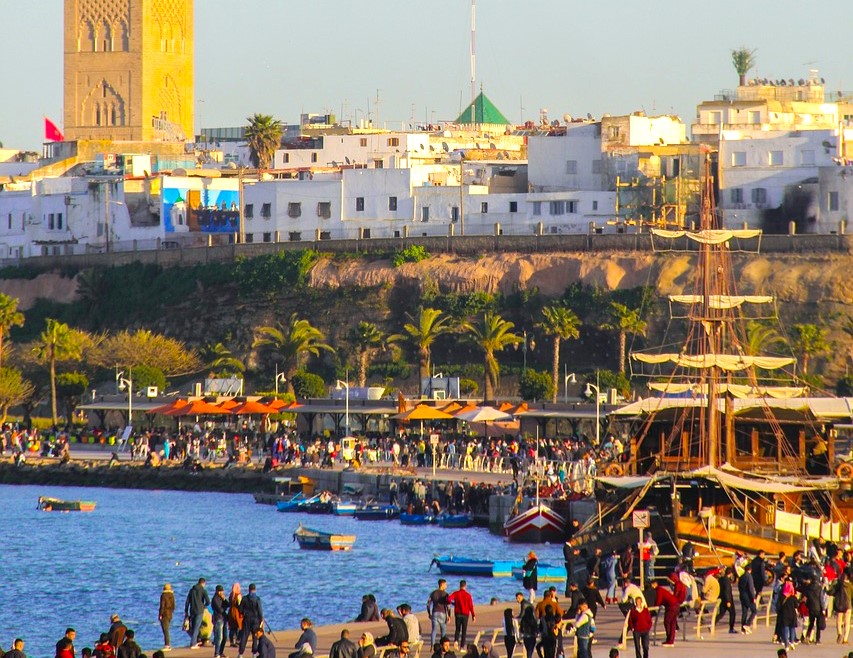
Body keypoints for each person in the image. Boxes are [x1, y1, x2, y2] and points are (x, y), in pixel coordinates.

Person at [650, 580, 679, 647]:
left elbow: (659, 599)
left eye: (652, 584)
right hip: (676, 605)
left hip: (671, 606)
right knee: (672, 623)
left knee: (667, 622)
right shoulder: (661, 589)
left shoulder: (659, 590)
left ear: (655, 584)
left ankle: (669, 640)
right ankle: (671, 640)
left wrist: (655, 606)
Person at [448, 580, 476, 648]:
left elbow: (448, 599)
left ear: (460, 585)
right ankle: (462, 646)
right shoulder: (468, 595)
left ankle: (456, 641)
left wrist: (454, 603)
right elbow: (470, 606)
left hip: (457, 613)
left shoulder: (456, 593)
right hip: (465, 614)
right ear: (465, 586)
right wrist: (473, 615)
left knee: (457, 629)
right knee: (464, 631)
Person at [239, 583, 264, 658]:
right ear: (255, 590)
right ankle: (254, 653)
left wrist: (244, 613)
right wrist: (261, 619)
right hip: (255, 619)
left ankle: (241, 653)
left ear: (248, 589)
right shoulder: (257, 599)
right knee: (255, 637)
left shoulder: (244, 598)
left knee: (244, 636)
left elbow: (240, 610)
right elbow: (260, 610)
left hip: (247, 619)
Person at [185, 578, 211, 649]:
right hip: (200, 611)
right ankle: (193, 643)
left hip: (192, 610)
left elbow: (187, 601)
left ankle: (195, 641)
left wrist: (186, 611)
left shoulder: (192, 590)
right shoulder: (203, 590)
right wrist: (203, 606)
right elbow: (208, 601)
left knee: (193, 627)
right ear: (203, 583)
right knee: (197, 627)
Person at [427, 579, 451, 648]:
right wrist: (449, 615)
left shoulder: (433, 593)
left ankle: (432, 645)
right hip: (442, 613)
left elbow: (428, 604)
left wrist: (429, 613)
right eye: (445, 584)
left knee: (434, 630)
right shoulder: (445, 594)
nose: (446, 586)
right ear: (442, 585)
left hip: (434, 612)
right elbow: (448, 606)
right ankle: (443, 645)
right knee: (443, 630)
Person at [778, 581, 799, 652]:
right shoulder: (793, 597)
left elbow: (778, 605)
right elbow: (796, 605)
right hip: (792, 614)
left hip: (784, 615)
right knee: (792, 629)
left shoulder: (781, 597)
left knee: (785, 630)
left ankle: (786, 645)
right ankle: (792, 642)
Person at [211, 585, 230, 658]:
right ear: (217, 591)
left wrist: (224, 599)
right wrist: (224, 608)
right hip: (218, 618)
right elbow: (220, 609)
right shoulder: (215, 599)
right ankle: (216, 653)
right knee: (219, 637)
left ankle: (221, 652)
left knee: (225, 637)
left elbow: (228, 605)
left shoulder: (222, 598)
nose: (221, 592)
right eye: (220, 591)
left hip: (224, 618)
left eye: (222, 591)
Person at [716, 567, 736, 634]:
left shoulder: (721, 579)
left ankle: (713, 624)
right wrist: (728, 601)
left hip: (722, 598)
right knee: (732, 613)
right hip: (728, 599)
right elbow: (727, 591)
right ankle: (731, 628)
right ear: (730, 574)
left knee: (721, 613)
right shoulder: (727, 581)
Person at [835, 570, 853, 644]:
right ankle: (845, 639)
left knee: (839, 621)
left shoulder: (838, 585)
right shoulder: (850, 586)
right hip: (848, 605)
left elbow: (831, 591)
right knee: (847, 622)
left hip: (839, 604)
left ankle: (839, 632)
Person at [738, 564, 757, 634]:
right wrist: (753, 597)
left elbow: (739, 587)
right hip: (748, 597)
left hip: (742, 596)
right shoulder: (749, 576)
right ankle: (747, 624)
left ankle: (743, 628)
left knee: (744, 612)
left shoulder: (741, 576)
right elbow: (751, 588)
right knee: (754, 611)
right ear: (750, 570)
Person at [159, 584, 175, 651]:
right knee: (167, 629)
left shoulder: (163, 596)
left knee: (165, 630)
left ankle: (167, 645)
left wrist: (160, 614)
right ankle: (167, 644)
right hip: (170, 614)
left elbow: (162, 606)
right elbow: (174, 606)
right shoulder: (172, 595)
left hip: (164, 614)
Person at [227, 584, 243, 648]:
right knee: (240, 627)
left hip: (231, 612)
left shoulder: (231, 595)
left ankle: (231, 642)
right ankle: (238, 640)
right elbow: (240, 605)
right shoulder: (238, 595)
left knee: (232, 628)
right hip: (237, 613)